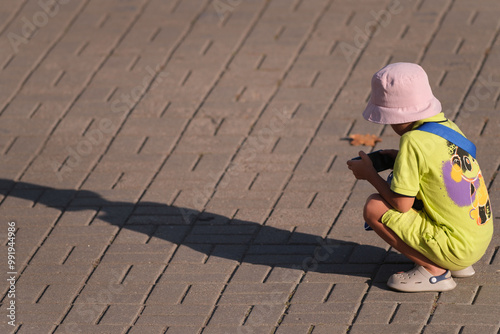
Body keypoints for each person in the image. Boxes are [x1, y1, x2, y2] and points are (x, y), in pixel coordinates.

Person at [346, 62, 493, 292]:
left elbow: (401, 205)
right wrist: (398, 158)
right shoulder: (448, 127)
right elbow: (435, 166)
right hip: (477, 241)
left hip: (455, 247)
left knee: (374, 207)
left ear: (395, 116)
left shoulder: (412, 141)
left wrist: (370, 175)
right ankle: (456, 264)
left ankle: (435, 272)